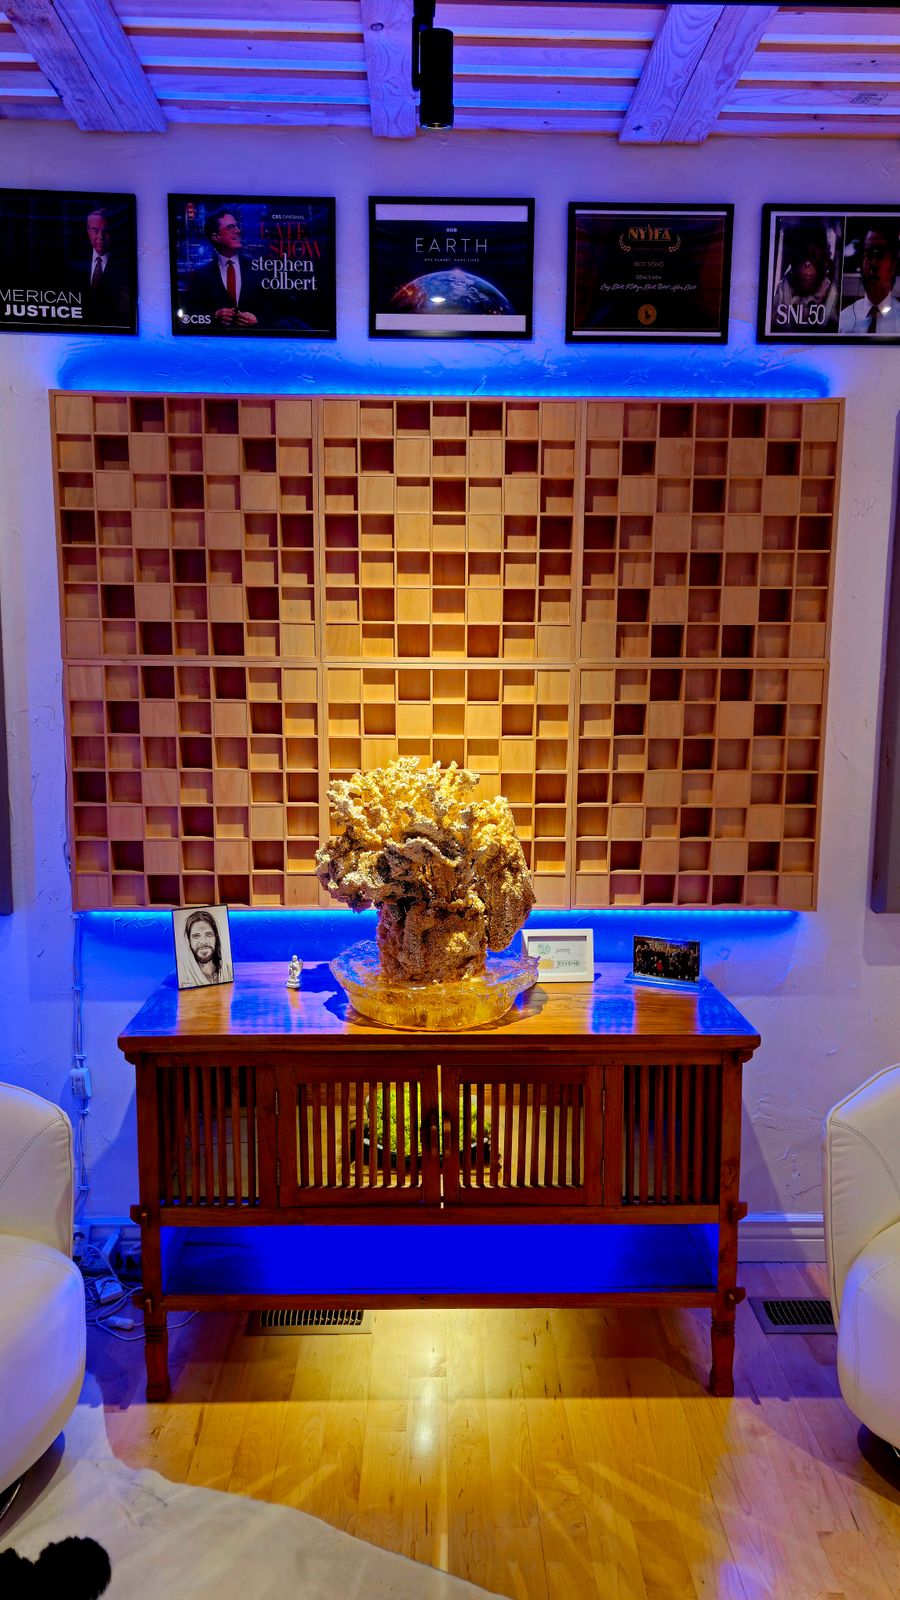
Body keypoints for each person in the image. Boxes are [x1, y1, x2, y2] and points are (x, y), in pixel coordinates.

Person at [182, 207, 267, 330]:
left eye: (237, 226)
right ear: (216, 237)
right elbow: (188, 315)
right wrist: (214, 316)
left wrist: (257, 319)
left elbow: (274, 310)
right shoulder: (201, 274)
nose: (238, 231)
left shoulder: (257, 268)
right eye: (231, 227)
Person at [770, 220, 838, 333]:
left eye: (813, 258)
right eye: (803, 257)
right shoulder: (784, 288)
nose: (807, 264)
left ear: (824, 261)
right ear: (793, 260)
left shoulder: (829, 291)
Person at [73, 206, 132, 328]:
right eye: (95, 230)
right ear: (88, 232)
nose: (101, 237)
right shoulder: (75, 262)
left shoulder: (126, 264)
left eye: (106, 231)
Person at [839, 220, 900, 335]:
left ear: (893, 266)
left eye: (880, 256)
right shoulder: (843, 321)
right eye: (869, 255)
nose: (873, 264)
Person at [181, 909, 232, 987]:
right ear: (189, 941)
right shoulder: (182, 976)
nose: (203, 941)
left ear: (216, 938)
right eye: (196, 936)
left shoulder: (228, 970)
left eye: (209, 934)